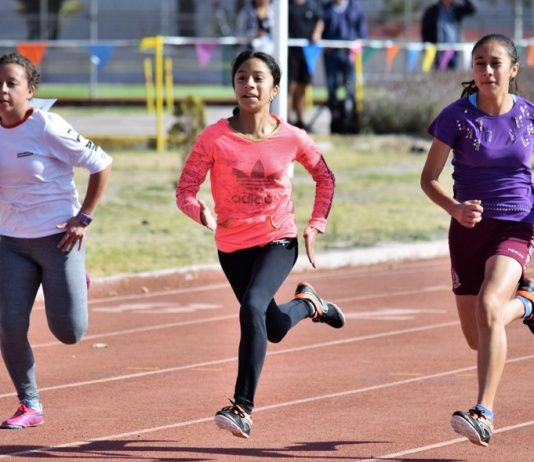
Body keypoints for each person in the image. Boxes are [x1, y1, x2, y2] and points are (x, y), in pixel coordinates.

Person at [176, 50, 344, 439]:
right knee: (273, 327)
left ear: (274, 89)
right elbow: (185, 190)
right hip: (231, 245)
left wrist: (316, 223)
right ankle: (309, 304)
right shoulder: (214, 137)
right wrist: (199, 211)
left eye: (257, 78)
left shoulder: (292, 137)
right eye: (241, 78)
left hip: (277, 239)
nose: (248, 84)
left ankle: (242, 407)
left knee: (251, 306)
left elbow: (325, 177)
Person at [420, 34, 534, 447]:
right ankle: (527, 303)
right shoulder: (455, 117)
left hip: (516, 224)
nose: (487, 70)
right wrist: (454, 208)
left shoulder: (530, 117)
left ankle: (483, 412)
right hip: (467, 230)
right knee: (477, 336)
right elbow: (428, 179)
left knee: (489, 307)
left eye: (495, 62)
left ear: (513, 69)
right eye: (480, 63)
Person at [0, 52, 112, 429]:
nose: (3, 90)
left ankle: (77, 279)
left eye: (11, 83)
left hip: (59, 239)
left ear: (30, 91)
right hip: (11, 241)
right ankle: (29, 403)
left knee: (69, 333)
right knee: (8, 324)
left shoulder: (48, 126)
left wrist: (84, 218)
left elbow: (102, 164)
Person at [322, 0, 367, 134]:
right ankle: (335, 119)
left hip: (349, 54)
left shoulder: (355, 8)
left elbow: (362, 32)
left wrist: (357, 42)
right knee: (332, 87)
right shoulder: (326, 9)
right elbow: (320, 28)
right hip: (331, 54)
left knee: (350, 87)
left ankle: (350, 120)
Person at [288, 0, 324, 129]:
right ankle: (287, 120)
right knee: (290, 87)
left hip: (307, 53)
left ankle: (300, 121)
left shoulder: (312, 5)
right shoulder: (287, 6)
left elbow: (320, 20)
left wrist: (317, 33)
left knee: (302, 88)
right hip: (290, 53)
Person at [421, 0, 477, 70]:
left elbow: (472, 10)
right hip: (438, 48)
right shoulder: (432, 10)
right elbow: (425, 29)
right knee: (438, 70)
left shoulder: (456, 9)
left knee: (452, 70)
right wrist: (427, 44)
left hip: (453, 48)